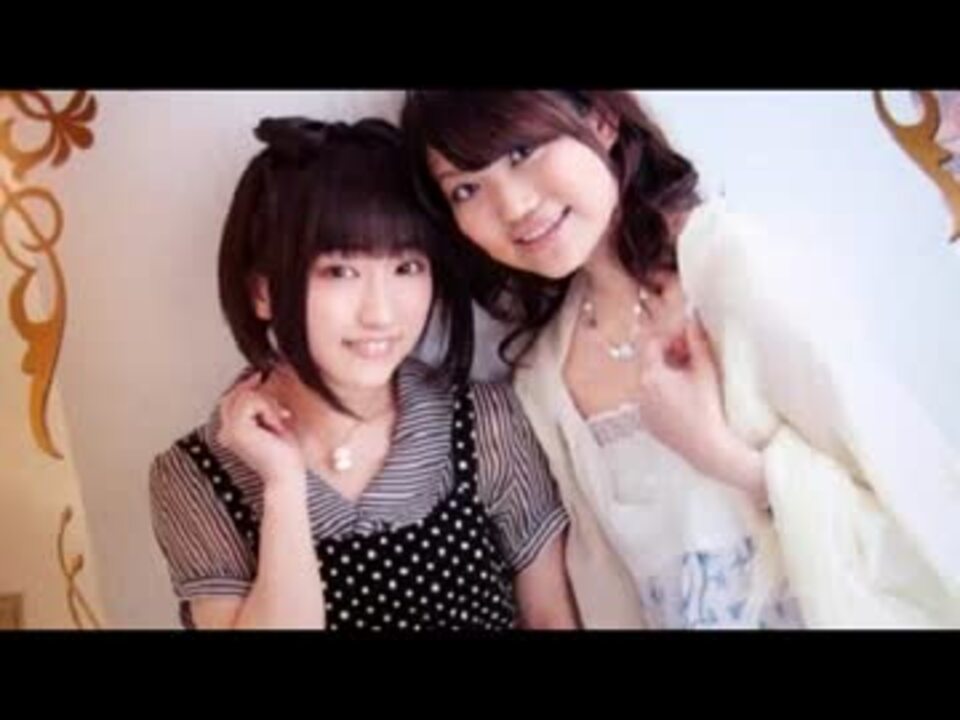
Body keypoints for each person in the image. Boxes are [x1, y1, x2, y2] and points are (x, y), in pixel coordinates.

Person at [402, 90, 960, 629]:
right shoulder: (543, 375)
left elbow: (919, 505)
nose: (513, 206)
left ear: (601, 120)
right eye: (466, 189)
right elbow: (611, 602)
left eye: (522, 151)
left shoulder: (733, 269)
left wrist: (723, 457)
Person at [149, 116, 577, 630]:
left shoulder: (484, 423)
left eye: (406, 268)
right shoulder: (198, 475)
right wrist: (283, 488)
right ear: (263, 291)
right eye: (340, 271)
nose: (380, 313)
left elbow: (551, 618)